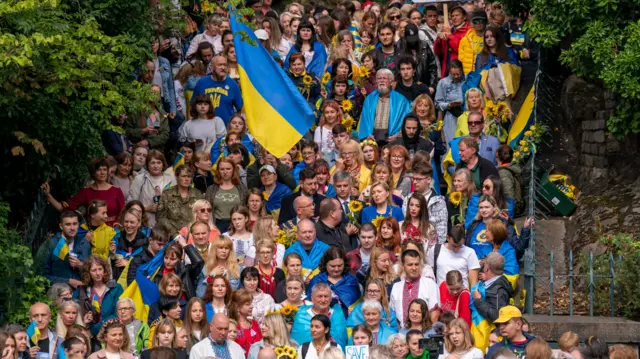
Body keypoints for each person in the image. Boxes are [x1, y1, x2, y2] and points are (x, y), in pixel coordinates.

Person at [41, 157, 125, 227]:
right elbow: (65, 208)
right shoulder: (86, 192)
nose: (102, 173)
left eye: (104, 169)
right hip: (93, 233)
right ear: (93, 172)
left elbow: (123, 213)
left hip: (114, 232)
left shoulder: (116, 191)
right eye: (99, 170)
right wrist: (48, 195)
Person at [466, 196, 531, 263]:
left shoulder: (502, 225)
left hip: (495, 267)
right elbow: (466, 248)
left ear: (494, 208)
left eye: (487, 207)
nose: (483, 210)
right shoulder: (473, 225)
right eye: (481, 207)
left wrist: (525, 230)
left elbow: (518, 248)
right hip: (472, 265)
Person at [357, 69, 411, 144]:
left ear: (391, 82)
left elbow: (407, 120)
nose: (381, 81)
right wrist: (367, 135)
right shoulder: (369, 99)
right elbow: (365, 120)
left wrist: (398, 136)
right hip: (372, 139)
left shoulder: (401, 100)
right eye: (379, 78)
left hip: (393, 140)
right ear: (376, 81)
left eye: (384, 78)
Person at [74, 255, 124, 337]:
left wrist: (93, 330)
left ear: (105, 270)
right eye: (93, 270)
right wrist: (84, 319)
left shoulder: (116, 288)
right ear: (88, 273)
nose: (98, 273)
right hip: (86, 334)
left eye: (100, 269)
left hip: (111, 333)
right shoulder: (81, 290)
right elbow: (73, 312)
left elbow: (117, 314)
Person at [471, 253, 512, 351]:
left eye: (484, 265)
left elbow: (496, 316)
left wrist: (478, 300)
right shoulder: (492, 282)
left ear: (487, 268)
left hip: (487, 339)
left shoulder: (498, 290)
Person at [389, 250, 439, 327]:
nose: (414, 268)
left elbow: (434, 314)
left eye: (416, 264)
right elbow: (393, 314)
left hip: (424, 334)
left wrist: (427, 334)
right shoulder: (396, 286)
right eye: (410, 265)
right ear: (403, 266)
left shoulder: (430, 284)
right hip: (402, 334)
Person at [42, 211, 91, 288]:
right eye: (68, 224)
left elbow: (93, 271)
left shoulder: (84, 244)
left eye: (75, 224)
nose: (72, 228)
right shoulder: (52, 244)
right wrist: (68, 281)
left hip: (81, 293)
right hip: (58, 293)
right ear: (61, 226)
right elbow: (42, 276)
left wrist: (81, 265)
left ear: (78, 225)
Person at [291, 284, 348, 349]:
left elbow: (343, 340)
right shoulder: (302, 315)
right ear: (312, 298)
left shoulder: (337, 314)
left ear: (331, 298)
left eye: (326, 296)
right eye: (320, 296)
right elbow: (296, 343)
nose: (323, 300)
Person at [127, 151, 176, 226]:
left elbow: (177, 204)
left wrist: (163, 207)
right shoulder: (139, 179)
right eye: (152, 163)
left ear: (163, 164)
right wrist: (145, 208)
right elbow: (130, 204)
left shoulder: (172, 180)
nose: (155, 166)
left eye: (158, 162)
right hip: (144, 223)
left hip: (167, 224)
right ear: (148, 165)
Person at [307, 247, 360, 315]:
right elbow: (309, 304)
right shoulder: (316, 280)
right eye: (333, 266)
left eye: (340, 265)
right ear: (325, 264)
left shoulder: (351, 281)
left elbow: (357, 306)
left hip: (347, 321)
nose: (336, 269)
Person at [191, 55, 243, 125]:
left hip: (225, 129)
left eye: (225, 65)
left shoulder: (233, 84)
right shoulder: (201, 82)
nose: (223, 67)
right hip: (204, 127)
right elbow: (192, 105)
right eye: (220, 65)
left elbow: (239, 109)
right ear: (212, 68)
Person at [402, 165, 447, 244]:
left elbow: (441, 229)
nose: (415, 182)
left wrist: (437, 250)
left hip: (430, 245)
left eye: (418, 179)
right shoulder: (408, 198)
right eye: (413, 179)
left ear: (428, 180)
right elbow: (406, 222)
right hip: (409, 243)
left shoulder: (438, 201)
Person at [205, 156, 248, 232]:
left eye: (228, 169)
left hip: (237, 225)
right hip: (217, 225)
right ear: (218, 171)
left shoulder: (242, 189)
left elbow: (246, 209)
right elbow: (207, 211)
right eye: (222, 169)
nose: (225, 172)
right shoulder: (211, 189)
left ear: (233, 170)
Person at [156, 165, 203, 235]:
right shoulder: (167, 194)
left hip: (194, 235)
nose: (186, 179)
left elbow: (203, 215)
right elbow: (160, 217)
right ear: (176, 177)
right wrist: (174, 234)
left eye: (189, 176)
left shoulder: (198, 194)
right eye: (183, 176)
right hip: (172, 236)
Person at [433, 224, 480, 289]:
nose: (456, 249)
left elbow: (473, 281)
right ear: (447, 238)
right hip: (441, 294)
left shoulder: (470, 252)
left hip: (461, 295)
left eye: (460, 246)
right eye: (453, 246)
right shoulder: (436, 250)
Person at [397, 25, 438, 94]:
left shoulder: (424, 45)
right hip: (406, 88)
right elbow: (398, 69)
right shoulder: (400, 46)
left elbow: (432, 67)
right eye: (410, 39)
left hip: (425, 86)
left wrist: (432, 85)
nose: (412, 41)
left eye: (414, 38)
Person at [433, 5, 469, 78]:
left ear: (464, 17)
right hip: (447, 68)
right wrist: (439, 39)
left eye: (457, 15)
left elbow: (459, 49)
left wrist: (450, 35)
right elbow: (438, 51)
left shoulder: (468, 31)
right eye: (452, 16)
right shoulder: (450, 30)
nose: (454, 18)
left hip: (459, 69)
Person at [434, 59, 465, 144]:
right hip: (450, 115)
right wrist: (449, 105)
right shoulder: (443, 83)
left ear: (462, 71)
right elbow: (437, 104)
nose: (455, 76)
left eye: (458, 74)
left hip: (465, 114)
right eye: (453, 74)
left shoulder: (466, 81)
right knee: (452, 142)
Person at [228, 289, 263, 355]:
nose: (252, 306)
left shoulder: (254, 323)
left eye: (251, 303)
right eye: (247, 304)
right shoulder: (232, 326)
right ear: (237, 307)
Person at [496, 145, 524, 214]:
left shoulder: (503, 172)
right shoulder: (513, 167)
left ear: (499, 157)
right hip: (517, 205)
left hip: (509, 210)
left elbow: (508, 194)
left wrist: (508, 214)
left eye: (496, 157)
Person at [458, 10, 488, 75]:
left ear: (486, 22)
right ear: (472, 23)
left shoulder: (491, 38)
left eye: (481, 21)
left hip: (486, 74)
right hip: (469, 76)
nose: (478, 23)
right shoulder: (465, 40)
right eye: (475, 21)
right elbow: (460, 60)